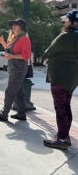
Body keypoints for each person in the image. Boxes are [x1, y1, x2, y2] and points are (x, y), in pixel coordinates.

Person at [43, 10, 78, 150]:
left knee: (60, 107)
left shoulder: (66, 37)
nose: (65, 22)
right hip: (71, 78)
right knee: (66, 105)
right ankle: (65, 136)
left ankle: (62, 138)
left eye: (66, 20)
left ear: (70, 22)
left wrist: (47, 57)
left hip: (60, 77)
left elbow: (48, 51)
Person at [0, 18, 31, 122]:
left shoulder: (24, 39)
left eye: (16, 25)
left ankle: (4, 114)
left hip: (18, 68)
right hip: (13, 67)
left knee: (10, 90)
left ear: (21, 28)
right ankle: (21, 114)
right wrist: (3, 43)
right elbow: (10, 51)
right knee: (18, 91)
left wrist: (11, 57)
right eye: (12, 25)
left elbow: (26, 56)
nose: (13, 27)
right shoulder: (15, 38)